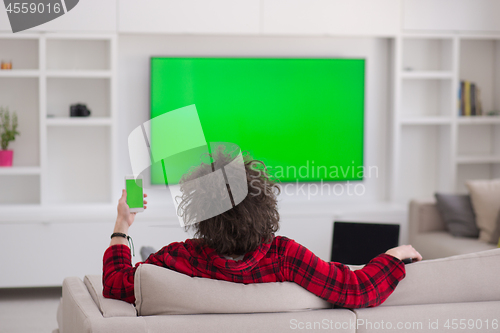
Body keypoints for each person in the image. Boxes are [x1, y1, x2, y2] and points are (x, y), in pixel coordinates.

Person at [103, 151, 422, 308]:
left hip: (174, 266)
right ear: (264, 205)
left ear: (200, 214)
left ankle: (142, 252)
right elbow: (358, 289)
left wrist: (122, 224)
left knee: (148, 260)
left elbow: (115, 284)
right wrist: (395, 254)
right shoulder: (286, 256)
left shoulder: (179, 258)